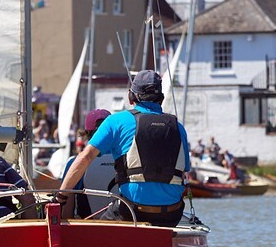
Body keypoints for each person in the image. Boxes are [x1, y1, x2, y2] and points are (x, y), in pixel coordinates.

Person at [57, 70, 190, 227]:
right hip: (172, 214)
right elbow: (184, 171)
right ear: (161, 98)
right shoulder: (179, 128)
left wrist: (61, 197)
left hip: (133, 212)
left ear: (131, 96)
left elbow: (85, 157)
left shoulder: (117, 121)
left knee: (97, 232)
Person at [60, 109, 118, 218]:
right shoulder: (126, 160)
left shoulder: (74, 164)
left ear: (86, 134)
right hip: (122, 224)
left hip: (87, 224)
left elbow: (67, 212)